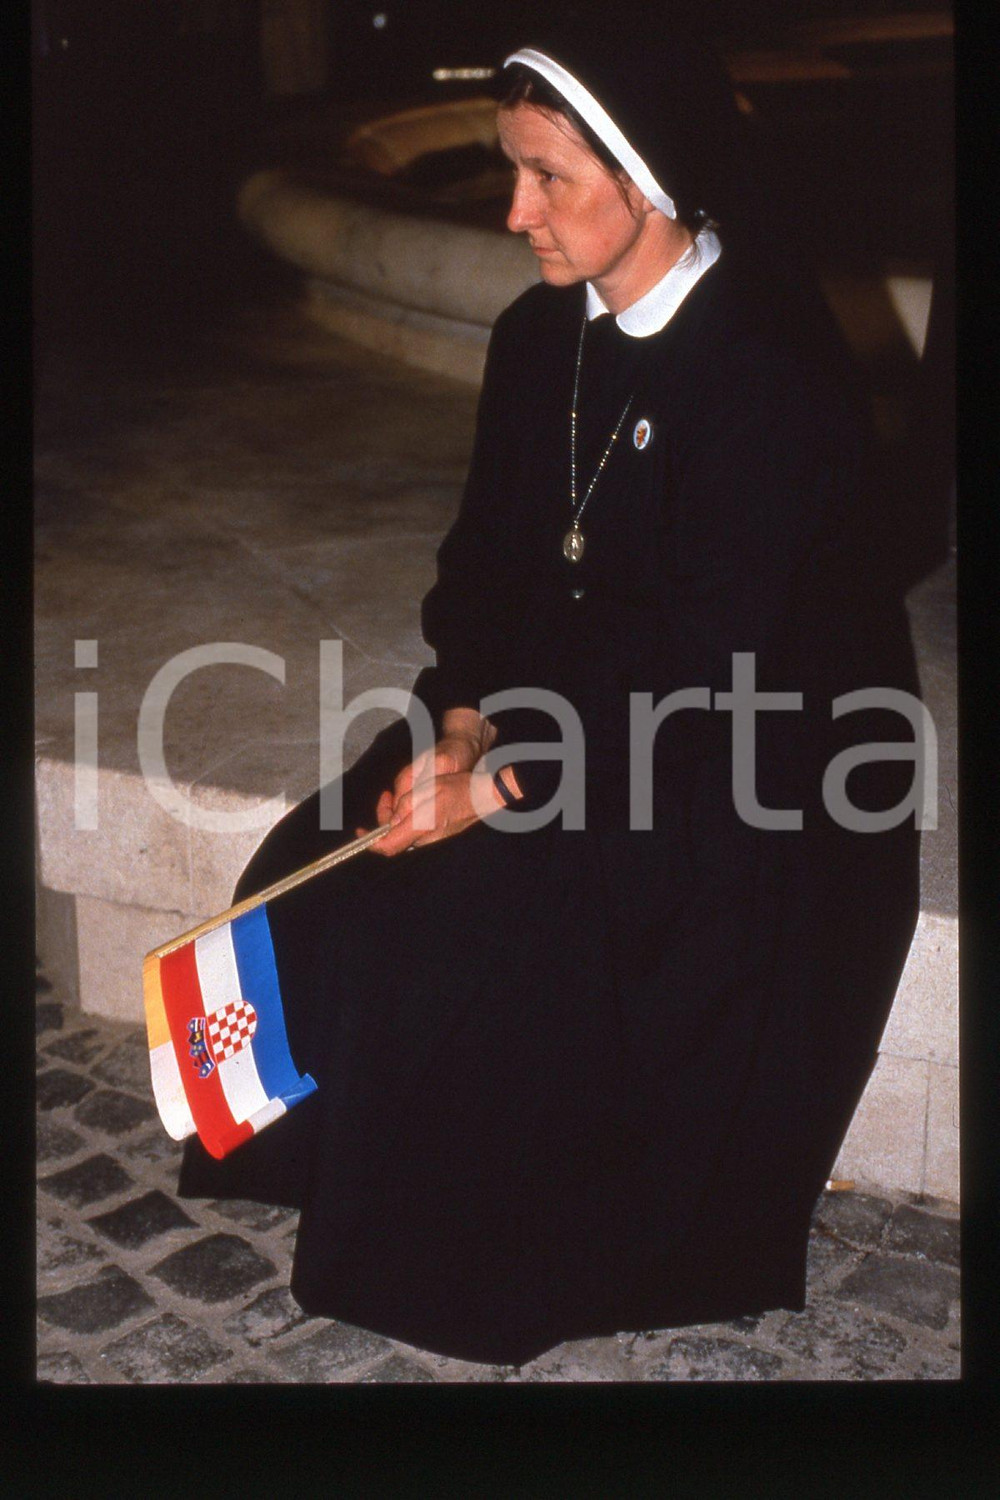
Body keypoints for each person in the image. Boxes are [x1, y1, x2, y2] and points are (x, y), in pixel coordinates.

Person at [178, 22, 922, 1368]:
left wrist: (503, 781)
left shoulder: (767, 372)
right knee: (331, 847)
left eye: (548, 179)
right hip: (556, 714)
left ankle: (456, 1232)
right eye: (506, 172)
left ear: (653, 178)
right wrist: (459, 726)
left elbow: (719, 668)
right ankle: (337, 1156)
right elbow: (483, 573)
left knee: (487, 907)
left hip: (745, 765)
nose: (514, 212)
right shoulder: (538, 341)